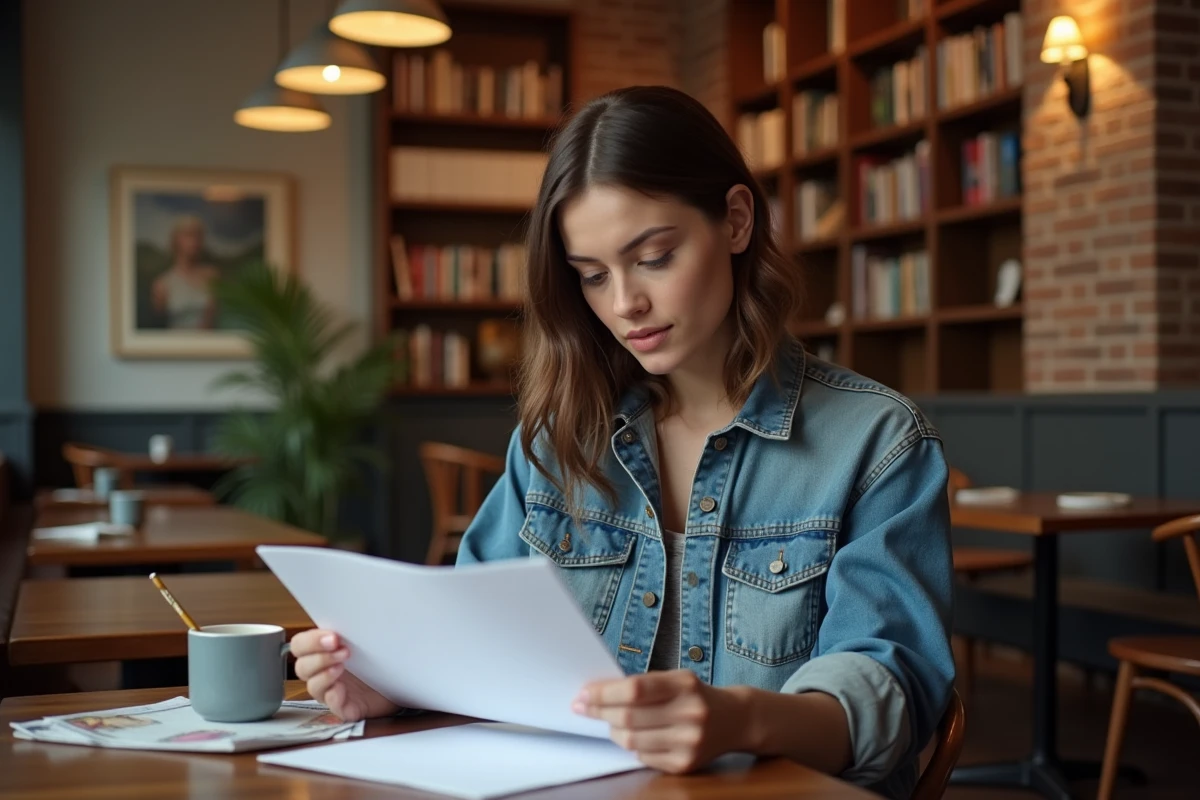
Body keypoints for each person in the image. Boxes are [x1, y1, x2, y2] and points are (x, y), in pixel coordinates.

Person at [291, 85, 954, 798]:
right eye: (593, 277)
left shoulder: (876, 441)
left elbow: (892, 692)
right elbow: (472, 647)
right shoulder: (557, 440)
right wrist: (394, 684)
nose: (624, 304)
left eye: (655, 257)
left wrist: (742, 719)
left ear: (735, 221)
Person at [150, 215, 219, 329]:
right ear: (176, 240)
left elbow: (214, 316)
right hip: (175, 344)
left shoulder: (211, 276)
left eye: (198, 236)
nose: (194, 241)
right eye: (189, 235)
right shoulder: (163, 283)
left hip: (207, 343)